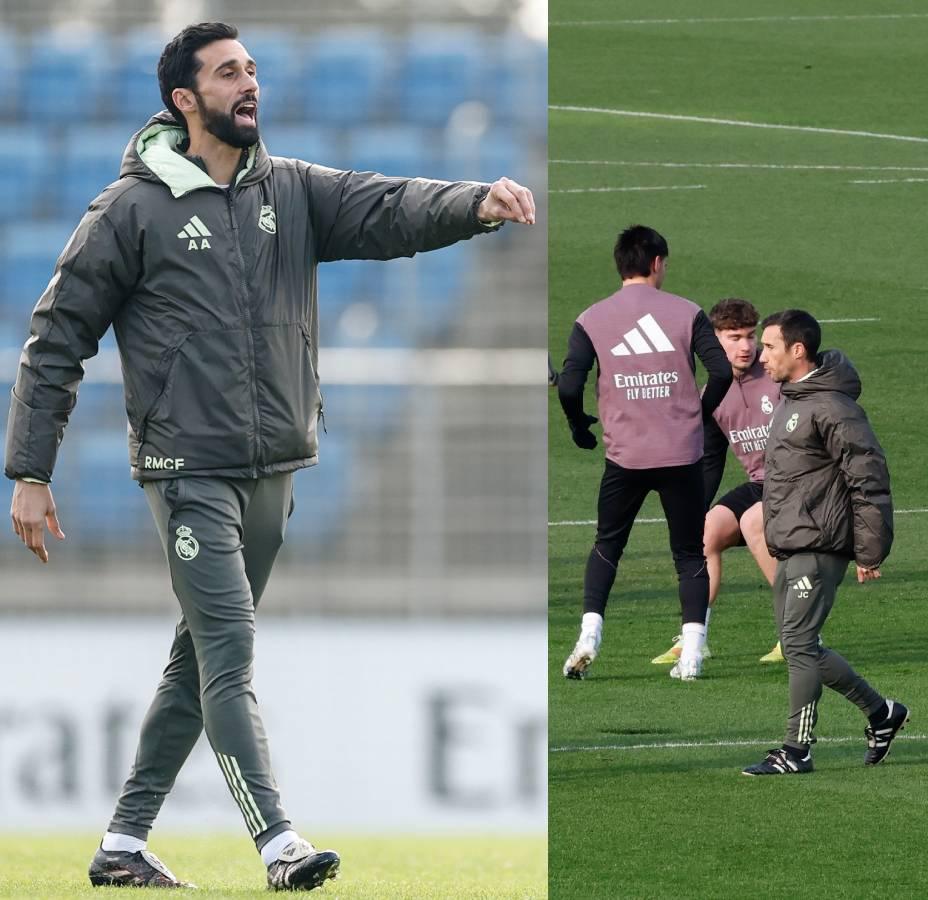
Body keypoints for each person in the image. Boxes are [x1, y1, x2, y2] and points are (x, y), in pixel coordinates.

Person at [5, 22, 535, 891]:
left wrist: (475, 202)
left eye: (252, 69)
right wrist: (30, 470)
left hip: (275, 469)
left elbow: (389, 206)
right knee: (230, 649)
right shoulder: (128, 211)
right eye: (228, 73)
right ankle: (278, 842)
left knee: (198, 661)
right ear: (184, 100)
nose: (249, 83)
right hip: (185, 473)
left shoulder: (288, 189)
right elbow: (55, 338)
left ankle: (123, 844)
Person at [557, 225, 732, 682]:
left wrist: (579, 426)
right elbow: (721, 371)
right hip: (681, 454)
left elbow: (571, 383)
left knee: (607, 545)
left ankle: (588, 636)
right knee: (689, 554)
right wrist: (696, 413)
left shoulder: (591, 318)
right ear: (656, 263)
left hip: (625, 457)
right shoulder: (687, 312)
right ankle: (692, 651)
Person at [742, 310, 907, 776]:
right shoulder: (793, 400)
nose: (761, 354)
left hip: (818, 546)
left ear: (798, 351)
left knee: (797, 643)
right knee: (803, 645)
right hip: (792, 543)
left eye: (769, 346)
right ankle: (882, 713)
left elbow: (868, 475)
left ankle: (797, 751)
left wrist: (869, 549)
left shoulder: (833, 407)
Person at [650, 300, 783, 667]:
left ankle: (798, 632)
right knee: (704, 532)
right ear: (714, 341)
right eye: (734, 337)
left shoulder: (775, 374)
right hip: (761, 485)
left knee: (753, 521)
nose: (746, 346)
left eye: (750, 336)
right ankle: (695, 636)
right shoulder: (713, 394)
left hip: (796, 484)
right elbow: (709, 460)